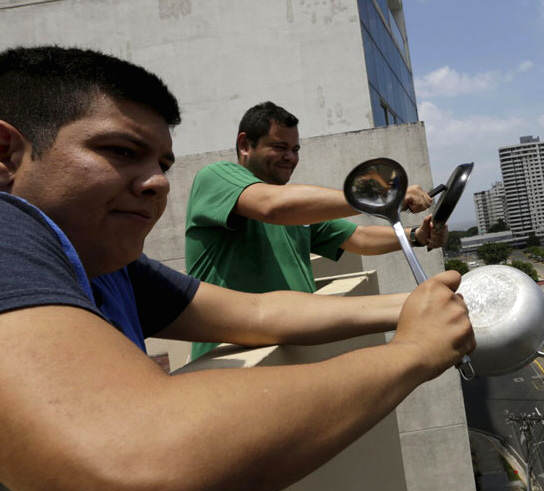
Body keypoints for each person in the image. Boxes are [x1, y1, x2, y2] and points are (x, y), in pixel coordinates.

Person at [0, 47, 474, 491]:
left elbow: (257, 315)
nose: (158, 183)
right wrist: (409, 355)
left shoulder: (103, 262)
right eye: (121, 151)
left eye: (162, 165)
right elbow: (132, 469)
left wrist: (422, 308)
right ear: (0, 152)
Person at [185, 101, 449, 359]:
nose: (290, 157)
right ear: (245, 145)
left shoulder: (296, 208)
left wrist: (415, 235)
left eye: (295, 149)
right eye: (279, 147)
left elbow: (359, 238)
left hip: (291, 355)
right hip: (231, 363)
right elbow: (271, 207)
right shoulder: (216, 178)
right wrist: (381, 193)